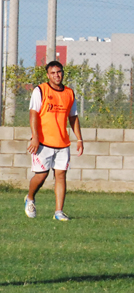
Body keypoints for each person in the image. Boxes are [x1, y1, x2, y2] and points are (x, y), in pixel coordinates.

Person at [25, 61, 84, 221]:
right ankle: (30, 198)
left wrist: (79, 138)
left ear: (63, 73)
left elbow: (73, 117)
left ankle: (58, 212)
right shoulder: (40, 90)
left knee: (60, 175)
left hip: (62, 143)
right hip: (43, 142)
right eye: (53, 73)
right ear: (48, 75)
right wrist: (35, 136)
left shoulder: (69, 93)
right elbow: (33, 114)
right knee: (41, 176)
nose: (57, 75)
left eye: (59, 72)